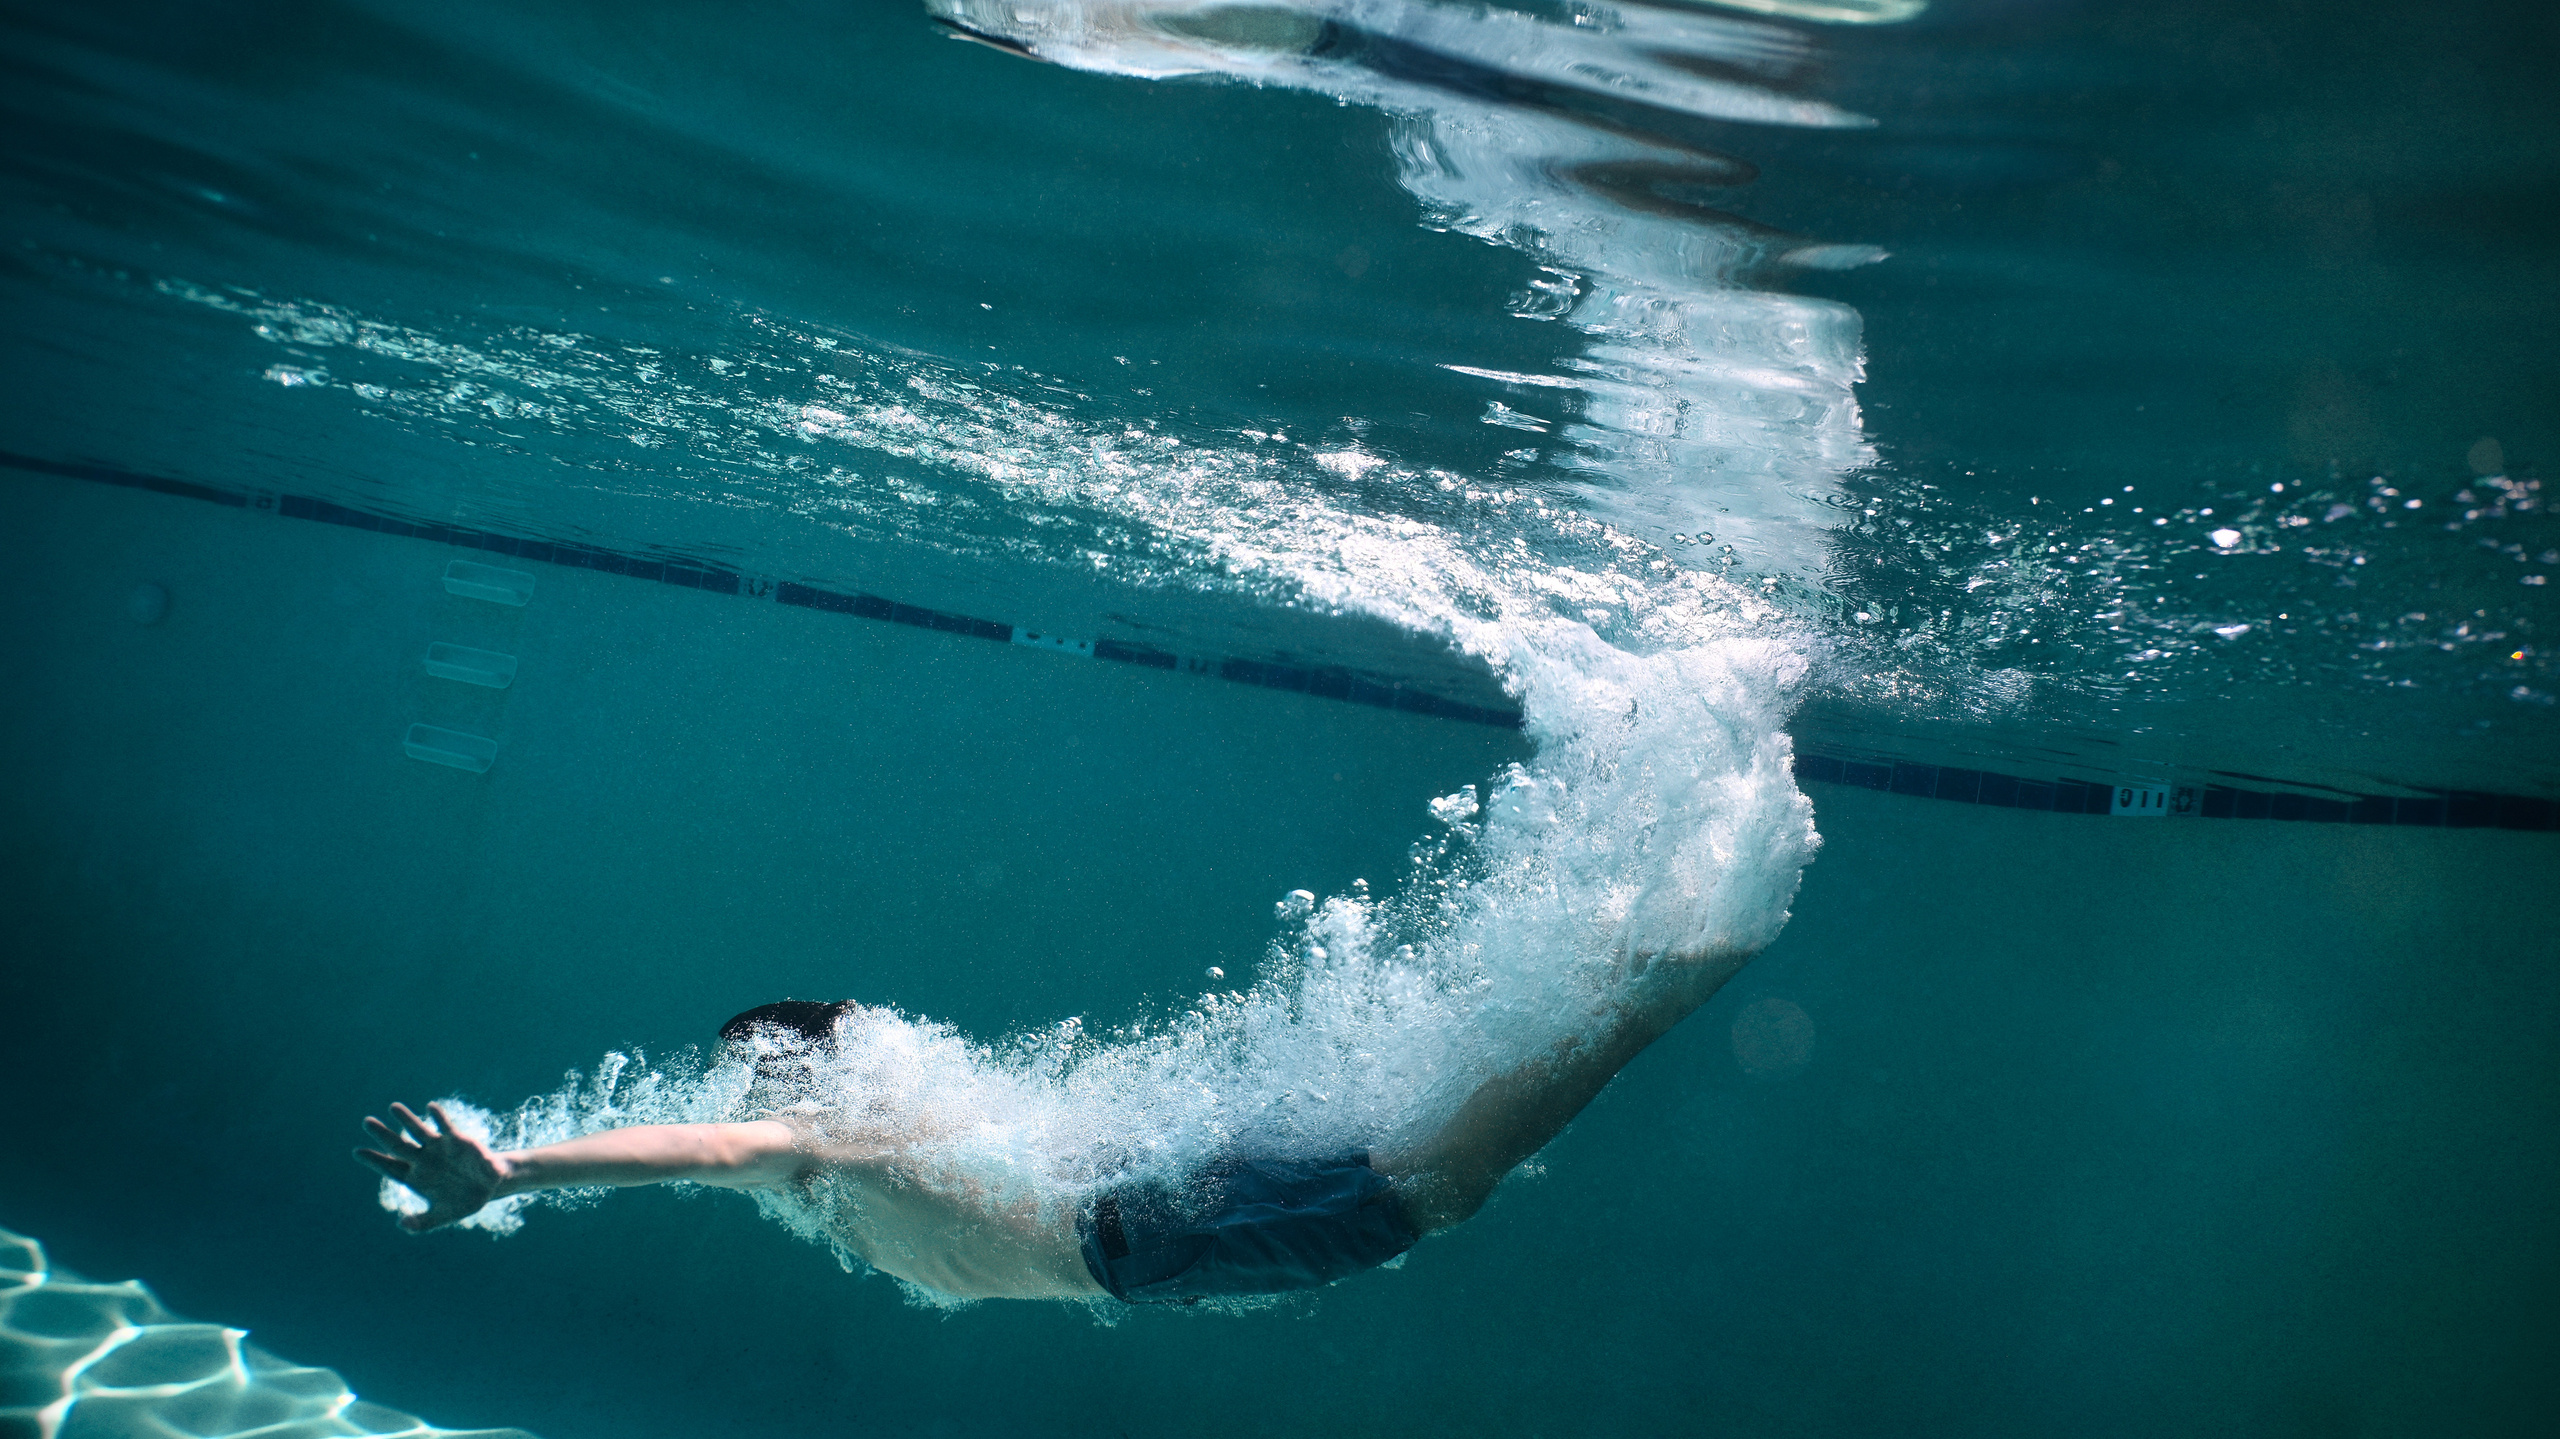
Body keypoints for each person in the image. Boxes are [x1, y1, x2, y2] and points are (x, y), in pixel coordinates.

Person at [356, 940, 1753, 1305]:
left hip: (1136, 1238)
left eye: (753, 1076)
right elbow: (717, 1154)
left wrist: (516, 1169)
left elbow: (708, 1150)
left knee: (1432, 1189)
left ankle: (1642, 996)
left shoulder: (826, 1149)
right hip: (1145, 1217)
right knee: (1418, 1161)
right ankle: (1614, 981)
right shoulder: (845, 1160)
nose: (736, 1103)